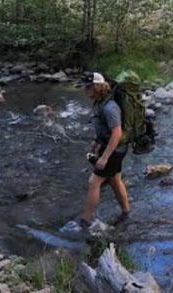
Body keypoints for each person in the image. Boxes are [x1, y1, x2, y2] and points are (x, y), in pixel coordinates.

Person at [60, 72, 131, 235]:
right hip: (111, 146)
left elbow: (117, 133)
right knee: (114, 180)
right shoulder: (99, 103)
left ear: (98, 87)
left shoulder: (110, 107)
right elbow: (103, 129)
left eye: (89, 87)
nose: (86, 90)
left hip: (114, 149)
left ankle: (85, 220)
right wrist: (95, 142)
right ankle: (126, 212)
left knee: (94, 182)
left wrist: (104, 157)